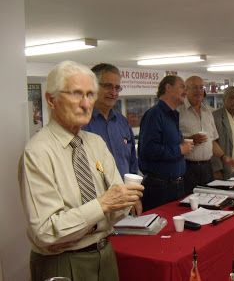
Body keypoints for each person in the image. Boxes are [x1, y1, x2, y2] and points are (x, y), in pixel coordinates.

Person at [18, 61, 144, 281]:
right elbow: (47, 232)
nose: (86, 104)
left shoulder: (95, 143)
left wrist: (119, 202)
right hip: (63, 262)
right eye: (77, 94)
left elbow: (116, 212)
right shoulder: (37, 152)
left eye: (90, 94)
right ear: (51, 99)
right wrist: (102, 205)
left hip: (105, 253)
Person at [138, 75, 194, 211]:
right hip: (160, 189)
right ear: (168, 88)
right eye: (182, 87)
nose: (185, 92)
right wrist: (179, 150)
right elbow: (148, 150)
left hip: (177, 186)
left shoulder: (173, 115)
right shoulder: (154, 115)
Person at [177, 76, 234, 194]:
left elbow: (212, 141)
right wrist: (190, 139)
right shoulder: (178, 112)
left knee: (209, 200)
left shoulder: (208, 112)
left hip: (207, 168)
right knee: (189, 203)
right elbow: (171, 140)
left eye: (201, 87)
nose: (199, 91)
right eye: (195, 87)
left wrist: (224, 157)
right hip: (187, 168)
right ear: (186, 90)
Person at [82, 63, 138, 179]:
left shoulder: (122, 122)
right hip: (97, 196)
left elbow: (132, 162)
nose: (113, 93)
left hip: (125, 193)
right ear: (92, 86)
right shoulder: (80, 123)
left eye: (117, 88)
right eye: (108, 86)